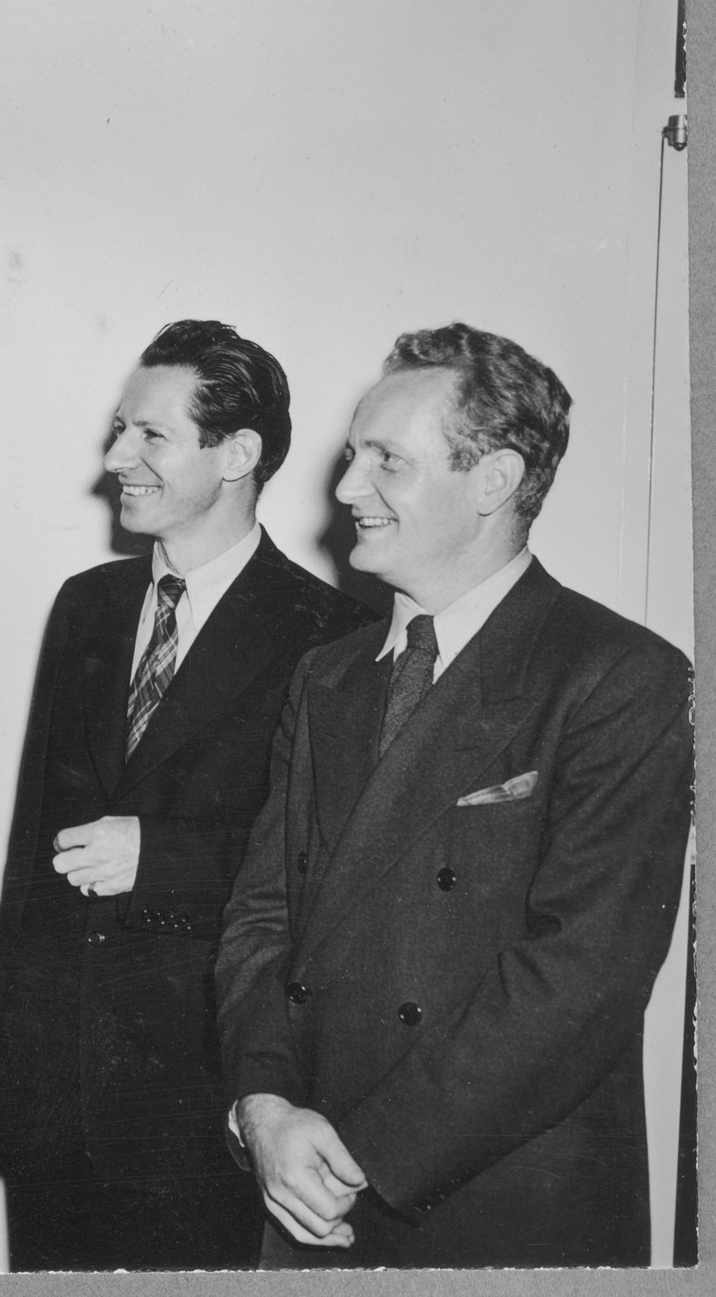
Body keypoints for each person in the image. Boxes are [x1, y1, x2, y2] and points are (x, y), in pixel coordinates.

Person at [216, 323, 693, 1268]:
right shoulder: (328, 676)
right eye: (354, 455)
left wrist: (362, 1151)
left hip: (491, 1206)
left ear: (494, 480)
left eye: (385, 459)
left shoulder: (620, 675)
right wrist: (262, 1105)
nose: (346, 486)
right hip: (303, 1186)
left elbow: (580, 977)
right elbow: (260, 919)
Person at [0, 319, 373, 1270]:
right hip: (54, 1088)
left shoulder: (332, 632)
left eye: (150, 436)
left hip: (206, 1096)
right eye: (119, 431)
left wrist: (163, 859)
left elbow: (329, 869)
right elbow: (34, 845)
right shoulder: (87, 605)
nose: (116, 459)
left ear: (238, 454)